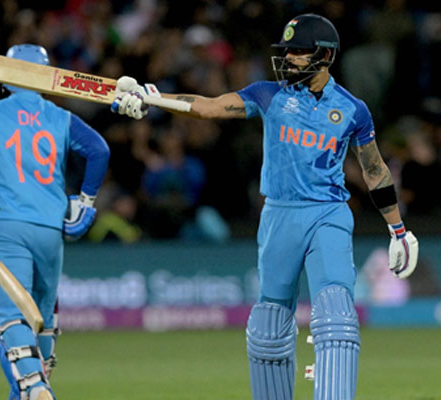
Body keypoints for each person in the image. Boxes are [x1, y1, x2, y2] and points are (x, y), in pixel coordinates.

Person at [112, 14, 418, 400]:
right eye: (286, 50)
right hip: (278, 217)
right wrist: (154, 99)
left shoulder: (352, 109)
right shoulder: (269, 95)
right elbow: (209, 107)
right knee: (269, 328)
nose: (288, 58)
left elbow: (374, 170)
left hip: (328, 213)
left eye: (298, 51)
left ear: (324, 56)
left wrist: (398, 230)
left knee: (337, 315)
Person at [0, 44, 110, 400]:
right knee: (42, 322)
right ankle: (34, 387)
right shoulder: (60, 117)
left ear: (6, 78)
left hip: (4, 228)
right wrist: (86, 204)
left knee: (11, 318)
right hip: (50, 233)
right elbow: (99, 150)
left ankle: (34, 388)